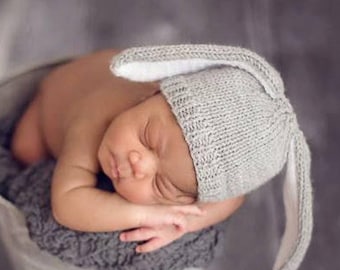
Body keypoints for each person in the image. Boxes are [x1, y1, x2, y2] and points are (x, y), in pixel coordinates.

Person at [11, 44, 312, 270]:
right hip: (57, 94)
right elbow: (67, 205)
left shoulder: (169, 139)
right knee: (24, 152)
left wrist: (183, 223)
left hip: (102, 68)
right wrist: (148, 214)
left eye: (160, 185)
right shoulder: (92, 124)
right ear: (153, 93)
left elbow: (234, 197)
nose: (137, 163)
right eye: (147, 138)